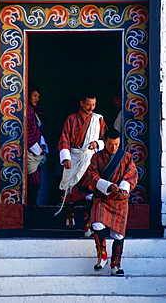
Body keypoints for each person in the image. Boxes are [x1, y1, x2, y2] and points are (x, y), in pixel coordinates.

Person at [86, 128, 138, 276]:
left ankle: (116, 265)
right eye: (110, 144)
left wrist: (122, 187)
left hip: (119, 199)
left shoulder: (127, 157)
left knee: (118, 234)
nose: (113, 147)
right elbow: (92, 175)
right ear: (105, 142)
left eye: (116, 144)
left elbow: (132, 175)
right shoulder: (96, 157)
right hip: (102, 197)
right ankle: (102, 255)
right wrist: (108, 186)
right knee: (97, 224)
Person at [56, 94, 107, 230]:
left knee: (90, 188)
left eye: (93, 105)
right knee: (70, 187)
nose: (91, 108)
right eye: (88, 104)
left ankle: (88, 219)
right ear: (82, 103)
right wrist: (66, 158)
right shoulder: (71, 119)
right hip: (74, 156)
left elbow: (105, 138)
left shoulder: (98, 119)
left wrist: (96, 143)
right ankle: (69, 215)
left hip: (90, 158)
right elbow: (64, 138)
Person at [27, 85, 49, 206]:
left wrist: (42, 146)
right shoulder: (26, 111)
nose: (36, 99)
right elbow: (28, 132)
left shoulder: (32, 110)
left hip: (36, 151)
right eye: (34, 96)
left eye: (38, 97)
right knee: (34, 183)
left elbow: (38, 131)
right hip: (31, 153)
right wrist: (37, 150)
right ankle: (30, 209)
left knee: (35, 184)